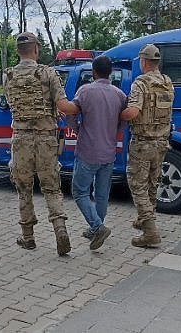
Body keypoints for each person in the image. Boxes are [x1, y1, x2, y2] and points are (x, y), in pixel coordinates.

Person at [4, 31, 80, 256]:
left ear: (18, 51)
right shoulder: (48, 73)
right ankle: (60, 231)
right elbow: (63, 105)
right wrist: (82, 106)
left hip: (20, 140)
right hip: (46, 139)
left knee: (24, 189)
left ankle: (28, 238)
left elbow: (13, 105)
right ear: (36, 49)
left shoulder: (7, 76)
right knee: (51, 187)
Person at [70, 55, 127, 250]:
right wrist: (114, 133)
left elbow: (71, 112)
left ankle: (97, 226)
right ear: (110, 72)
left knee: (79, 192)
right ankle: (97, 229)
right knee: (102, 195)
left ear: (93, 71)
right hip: (108, 153)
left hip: (87, 151)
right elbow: (124, 121)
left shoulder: (84, 91)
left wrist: (76, 129)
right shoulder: (120, 95)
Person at [120, 44, 174, 247]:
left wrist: (119, 115)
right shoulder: (167, 82)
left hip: (143, 143)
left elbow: (133, 112)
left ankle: (150, 232)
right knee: (152, 184)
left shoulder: (140, 83)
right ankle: (146, 220)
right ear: (157, 62)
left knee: (137, 185)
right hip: (161, 143)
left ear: (143, 62)